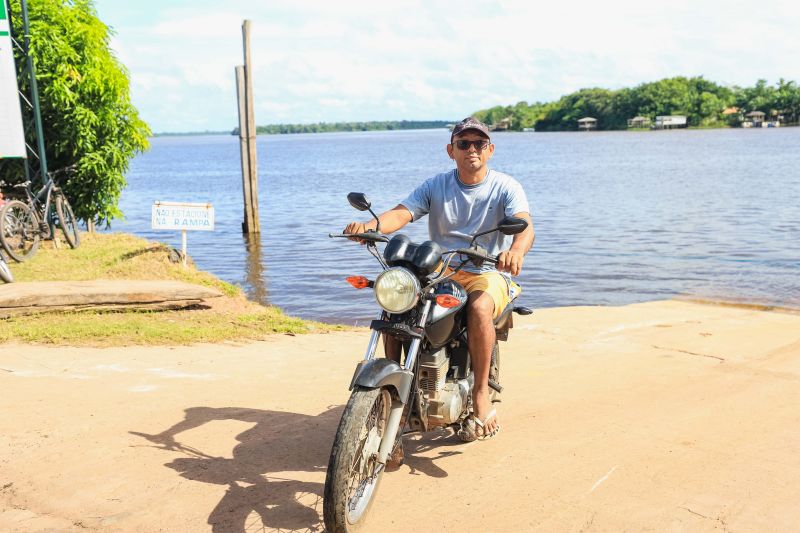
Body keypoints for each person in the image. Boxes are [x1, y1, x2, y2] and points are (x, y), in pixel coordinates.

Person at [344, 116, 534, 440]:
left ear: (490, 150)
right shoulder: (436, 186)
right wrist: (371, 228)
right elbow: (402, 212)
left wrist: (515, 250)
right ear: (451, 150)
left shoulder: (506, 187)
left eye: (479, 144)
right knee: (398, 300)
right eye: (464, 144)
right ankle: (395, 392)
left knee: (479, 308)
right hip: (441, 269)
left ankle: (480, 393)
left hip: (486, 270)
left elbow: (524, 224)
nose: (471, 149)